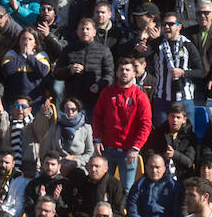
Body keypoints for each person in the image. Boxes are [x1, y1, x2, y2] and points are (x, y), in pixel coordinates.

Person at [92, 57, 152, 195]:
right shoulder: (107, 93)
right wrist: (97, 139)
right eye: (121, 70)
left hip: (129, 152)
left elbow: (146, 124)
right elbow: (97, 117)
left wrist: (136, 147)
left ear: (134, 73)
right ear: (116, 73)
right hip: (107, 149)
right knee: (103, 188)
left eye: (128, 70)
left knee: (127, 189)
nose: (124, 72)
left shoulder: (140, 97)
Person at [151, 10, 202, 127]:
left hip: (184, 99)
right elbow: (142, 55)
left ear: (179, 27)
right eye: (164, 24)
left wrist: (183, 73)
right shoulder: (157, 44)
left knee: (187, 135)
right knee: (161, 136)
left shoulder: (188, 45)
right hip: (162, 99)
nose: (167, 27)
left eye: (170, 24)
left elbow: (201, 72)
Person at [126, 150, 182, 217]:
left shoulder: (174, 187)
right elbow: (132, 212)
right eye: (151, 167)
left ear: (164, 168)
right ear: (146, 168)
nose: (154, 170)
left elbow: (176, 215)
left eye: (157, 167)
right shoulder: (138, 185)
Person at [53, 18, 114, 113]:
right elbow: (57, 73)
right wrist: (70, 69)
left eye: (87, 29)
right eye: (82, 29)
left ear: (94, 32)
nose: (84, 31)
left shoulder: (104, 51)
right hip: (72, 101)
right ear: (77, 32)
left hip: (95, 99)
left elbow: (109, 75)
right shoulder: (68, 49)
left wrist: (99, 86)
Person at [34, 96, 94, 176]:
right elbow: (45, 150)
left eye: (73, 109)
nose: (70, 112)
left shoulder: (86, 128)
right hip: (56, 167)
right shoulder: (54, 127)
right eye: (67, 109)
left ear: (78, 110)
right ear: (62, 110)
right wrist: (61, 160)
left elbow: (89, 152)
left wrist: (76, 162)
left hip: (78, 167)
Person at [143, 102, 198, 181]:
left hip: (182, 177)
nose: (174, 120)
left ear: (184, 120)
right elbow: (148, 152)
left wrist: (174, 154)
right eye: (172, 116)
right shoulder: (158, 132)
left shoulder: (190, 137)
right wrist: (161, 157)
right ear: (168, 117)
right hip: (159, 174)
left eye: (178, 117)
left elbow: (189, 162)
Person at [183, 0, 212, 94]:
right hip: (192, 79)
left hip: (211, 79)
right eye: (199, 13)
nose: (202, 16)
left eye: (206, 13)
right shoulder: (188, 32)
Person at [0, 94, 40, 177]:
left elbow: (42, 126)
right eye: (17, 106)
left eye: (23, 106)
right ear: (12, 108)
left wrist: (45, 113)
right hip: (7, 168)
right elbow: (1, 132)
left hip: (30, 168)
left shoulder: (34, 123)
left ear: (30, 109)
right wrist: (1, 114)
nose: (20, 109)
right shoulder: (8, 123)